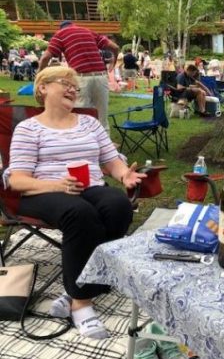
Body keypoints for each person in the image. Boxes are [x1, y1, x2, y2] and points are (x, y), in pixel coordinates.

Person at [5, 66, 147, 339]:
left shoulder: (89, 123)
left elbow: (110, 159)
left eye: (75, 86)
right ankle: (82, 303)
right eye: (65, 83)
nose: (73, 89)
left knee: (117, 204)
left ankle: (73, 291)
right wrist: (56, 185)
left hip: (89, 186)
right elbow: (18, 180)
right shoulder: (28, 129)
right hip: (42, 192)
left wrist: (124, 174)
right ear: (42, 87)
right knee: (80, 213)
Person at [38, 21, 118, 133]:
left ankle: (82, 144)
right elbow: (114, 47)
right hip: (101, 76)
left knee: (81, 116)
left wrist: (40, 77)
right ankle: (105, 147)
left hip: (81, 78)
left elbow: (45, 58)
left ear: (61, 28)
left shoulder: (60, 35)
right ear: (73, 25)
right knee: (102, 116)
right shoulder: (88, 31)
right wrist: (113, 63)